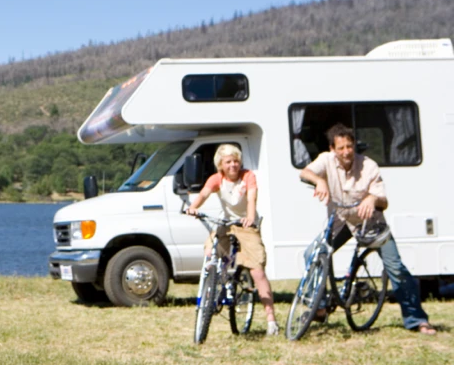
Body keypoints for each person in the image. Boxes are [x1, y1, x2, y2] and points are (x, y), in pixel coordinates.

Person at [300, 123, 436, 335]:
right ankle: (318, 308)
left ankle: (417, 320)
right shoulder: (326, 160)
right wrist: (320, 181)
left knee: (396, 269)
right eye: (341, 147)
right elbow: (305, 172)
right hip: (341, 221)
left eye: (350, 146)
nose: (346, 151)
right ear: (332, 149)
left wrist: (372, 199)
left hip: (371, 223)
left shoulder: (369, 166)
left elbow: (383, 201)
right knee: (313, 254)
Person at [187, 144, 279, 336]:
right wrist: (193, 207)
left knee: (257, 270)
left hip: (246, 224)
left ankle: (271, 319)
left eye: (236, 161)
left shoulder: (248, 177)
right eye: (228, 162)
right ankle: (214, 283)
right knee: (211, 250)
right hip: (226, 222)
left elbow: (252, 197)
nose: (233, 165)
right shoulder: (217, 179)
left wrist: (250, 217)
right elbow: (204, 193)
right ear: (221, 164)